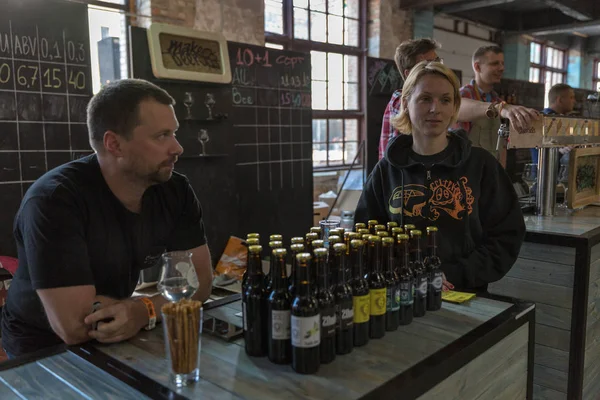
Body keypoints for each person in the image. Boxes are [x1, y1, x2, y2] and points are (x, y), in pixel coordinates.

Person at [1, 79, 213, 358]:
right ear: (114, 144)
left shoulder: (175, 190)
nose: (177, 148)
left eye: (174, 133)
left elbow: (200, 283)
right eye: (162, 136)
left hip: (122, 334)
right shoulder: (55, 201)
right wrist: (148, 307)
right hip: (42, 351)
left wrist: (142, 310)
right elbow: (75, 327)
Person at [358, 61, 525, 293]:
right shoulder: (386, 171)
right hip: (401, 294)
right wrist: (403, 273)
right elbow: (367, 237)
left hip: (466, 295)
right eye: (425, 98)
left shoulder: (481, 165)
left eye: (445, 100)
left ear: (455, 106)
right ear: (406, 104)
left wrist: (453, 273)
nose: (435, 109)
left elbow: (506, 237)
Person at [379, 39, 539, 160]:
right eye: (429, 63)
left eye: (438, 61)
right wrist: (500, 108)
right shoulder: (399, 100)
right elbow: (460, 106)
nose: (436, 108)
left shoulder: (493, 97)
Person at [531, 83, 576, 164]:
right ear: (560, 100)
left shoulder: (557, 119)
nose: (574, 101)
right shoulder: (547, 120)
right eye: (571, 97)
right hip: (544, 172)